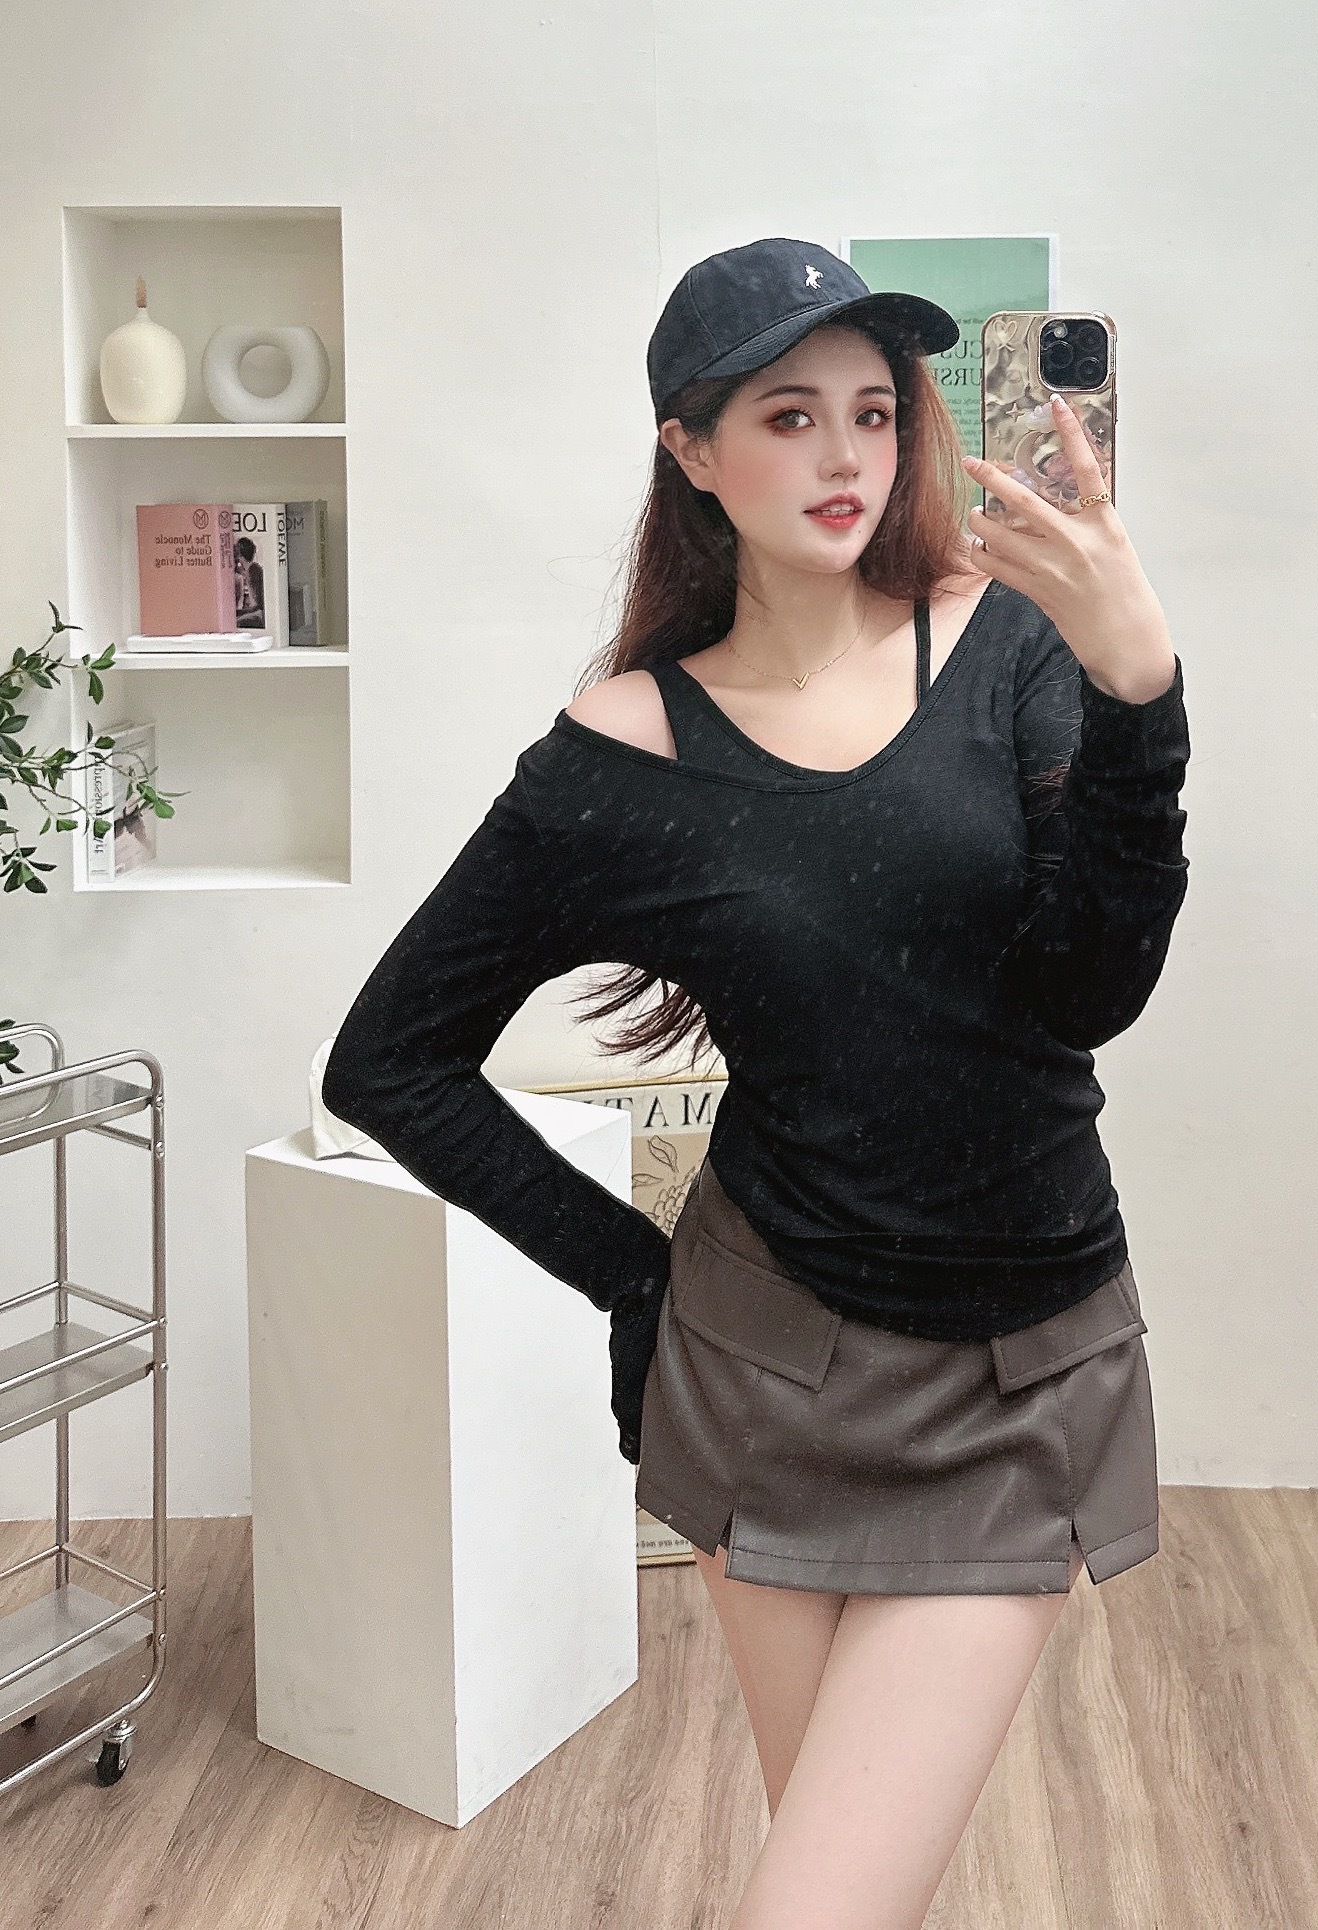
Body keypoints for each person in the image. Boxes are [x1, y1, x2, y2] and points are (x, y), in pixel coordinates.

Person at [322, 236, 1191, 1930]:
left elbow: (1091, 994)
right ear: (692, 449)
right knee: (844, 1884)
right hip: (761, 1368)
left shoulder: (1010, 645)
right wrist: (633, 1274)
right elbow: (391, 1058)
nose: (848, 452)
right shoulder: (625, 750)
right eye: (789, 416)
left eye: (875, 410)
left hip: (1021, 1372)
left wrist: (1137, 694)